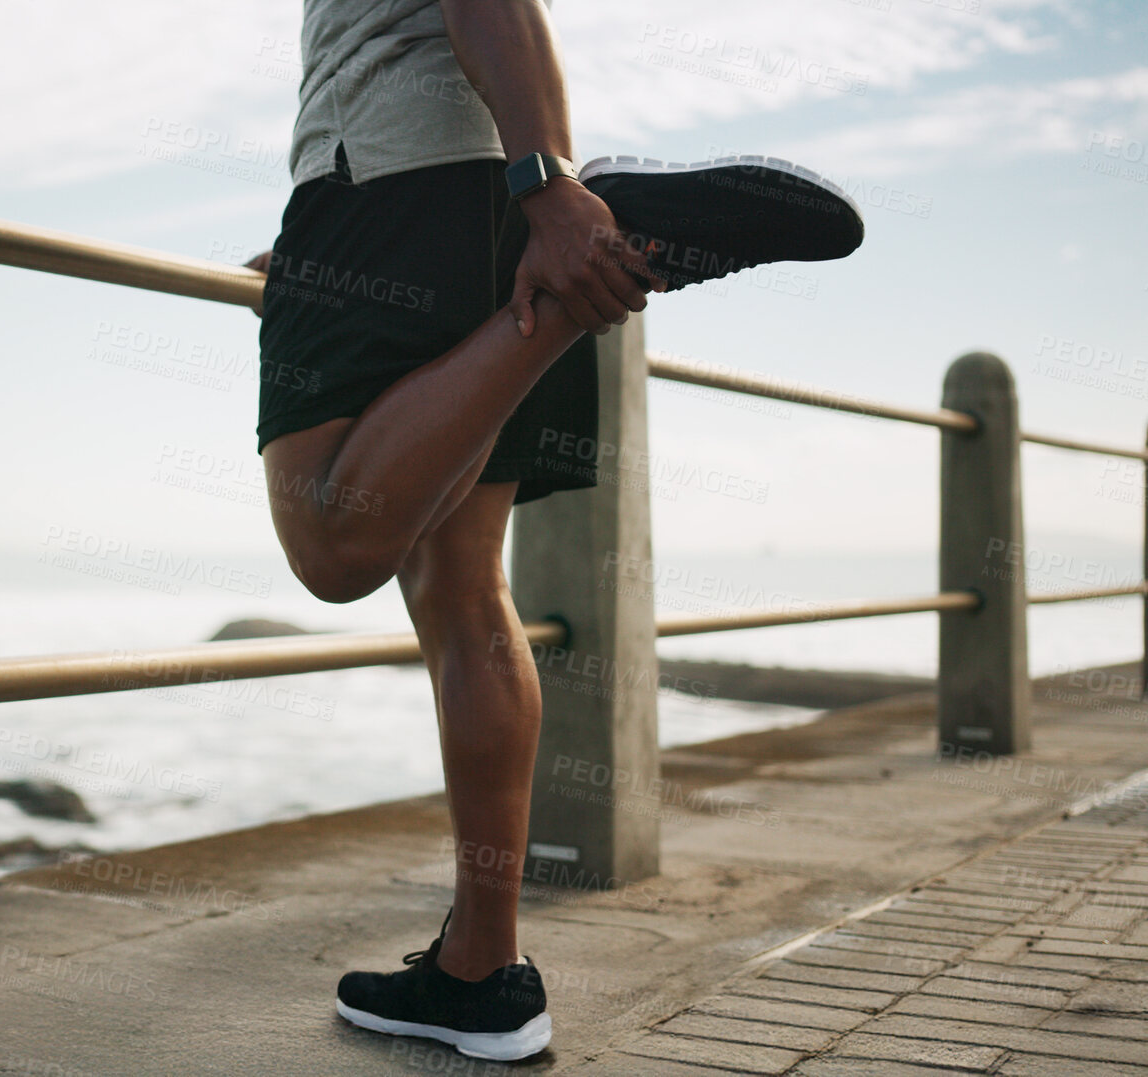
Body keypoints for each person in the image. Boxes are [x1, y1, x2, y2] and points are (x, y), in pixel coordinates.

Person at [245, 0, 863, 1062]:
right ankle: (482, 974)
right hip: (476, 208)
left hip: (404, 189)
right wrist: (530, 192)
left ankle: (585, 288)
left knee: (336, 548)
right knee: (465, 589)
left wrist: (543, 183)